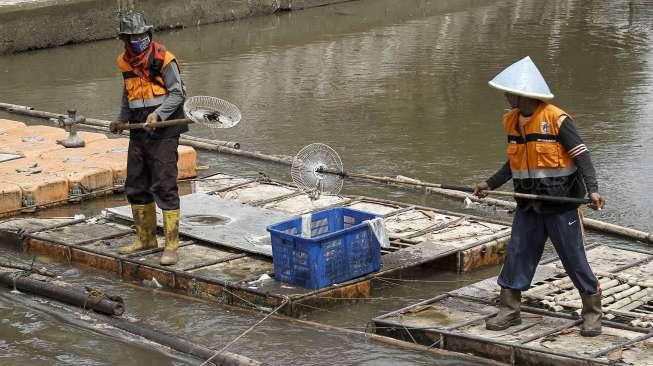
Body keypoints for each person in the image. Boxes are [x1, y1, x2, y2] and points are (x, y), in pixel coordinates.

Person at [474, 56, 606, 337]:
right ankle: (509, 310)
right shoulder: (512, 121)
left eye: (510, 93)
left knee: (573, 258)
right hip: (528, 205)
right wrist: (490, 183)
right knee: (518, 255)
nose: (507, 97)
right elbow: (515, 163)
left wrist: (593, 188)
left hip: (561, 206)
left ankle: (592, 313)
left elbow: (582, 155)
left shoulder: (557, 120)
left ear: (524, 95)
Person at [109, 10, 187, 266]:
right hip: (138, 127)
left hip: (164, 129)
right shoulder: (124, 62)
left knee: (164, 184)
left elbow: (178, 94)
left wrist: (159, 115)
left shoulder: (165, 59)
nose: (138, 39)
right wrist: (121, 119)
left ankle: (172, 246)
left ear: (148, 33)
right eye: (133, 36)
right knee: (136, 182)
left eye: (141, 35)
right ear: (125, 39)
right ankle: (145, 238)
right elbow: (127, 93)